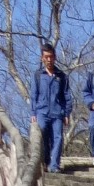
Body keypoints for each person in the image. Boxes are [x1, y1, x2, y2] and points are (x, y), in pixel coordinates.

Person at [30, 44, 72, 173]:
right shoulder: (38, 75)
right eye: (46, 57)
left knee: (58, 137)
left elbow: (67, 96)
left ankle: (54, 165)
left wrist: (66, 113)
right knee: (43, 136)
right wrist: (33, 113)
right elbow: (34, 95)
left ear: (55, 57)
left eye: (51, 57)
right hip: (41, 112)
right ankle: (45, 161)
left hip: (57, 112)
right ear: (42, 58)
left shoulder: (62, 76)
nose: (49, 60)